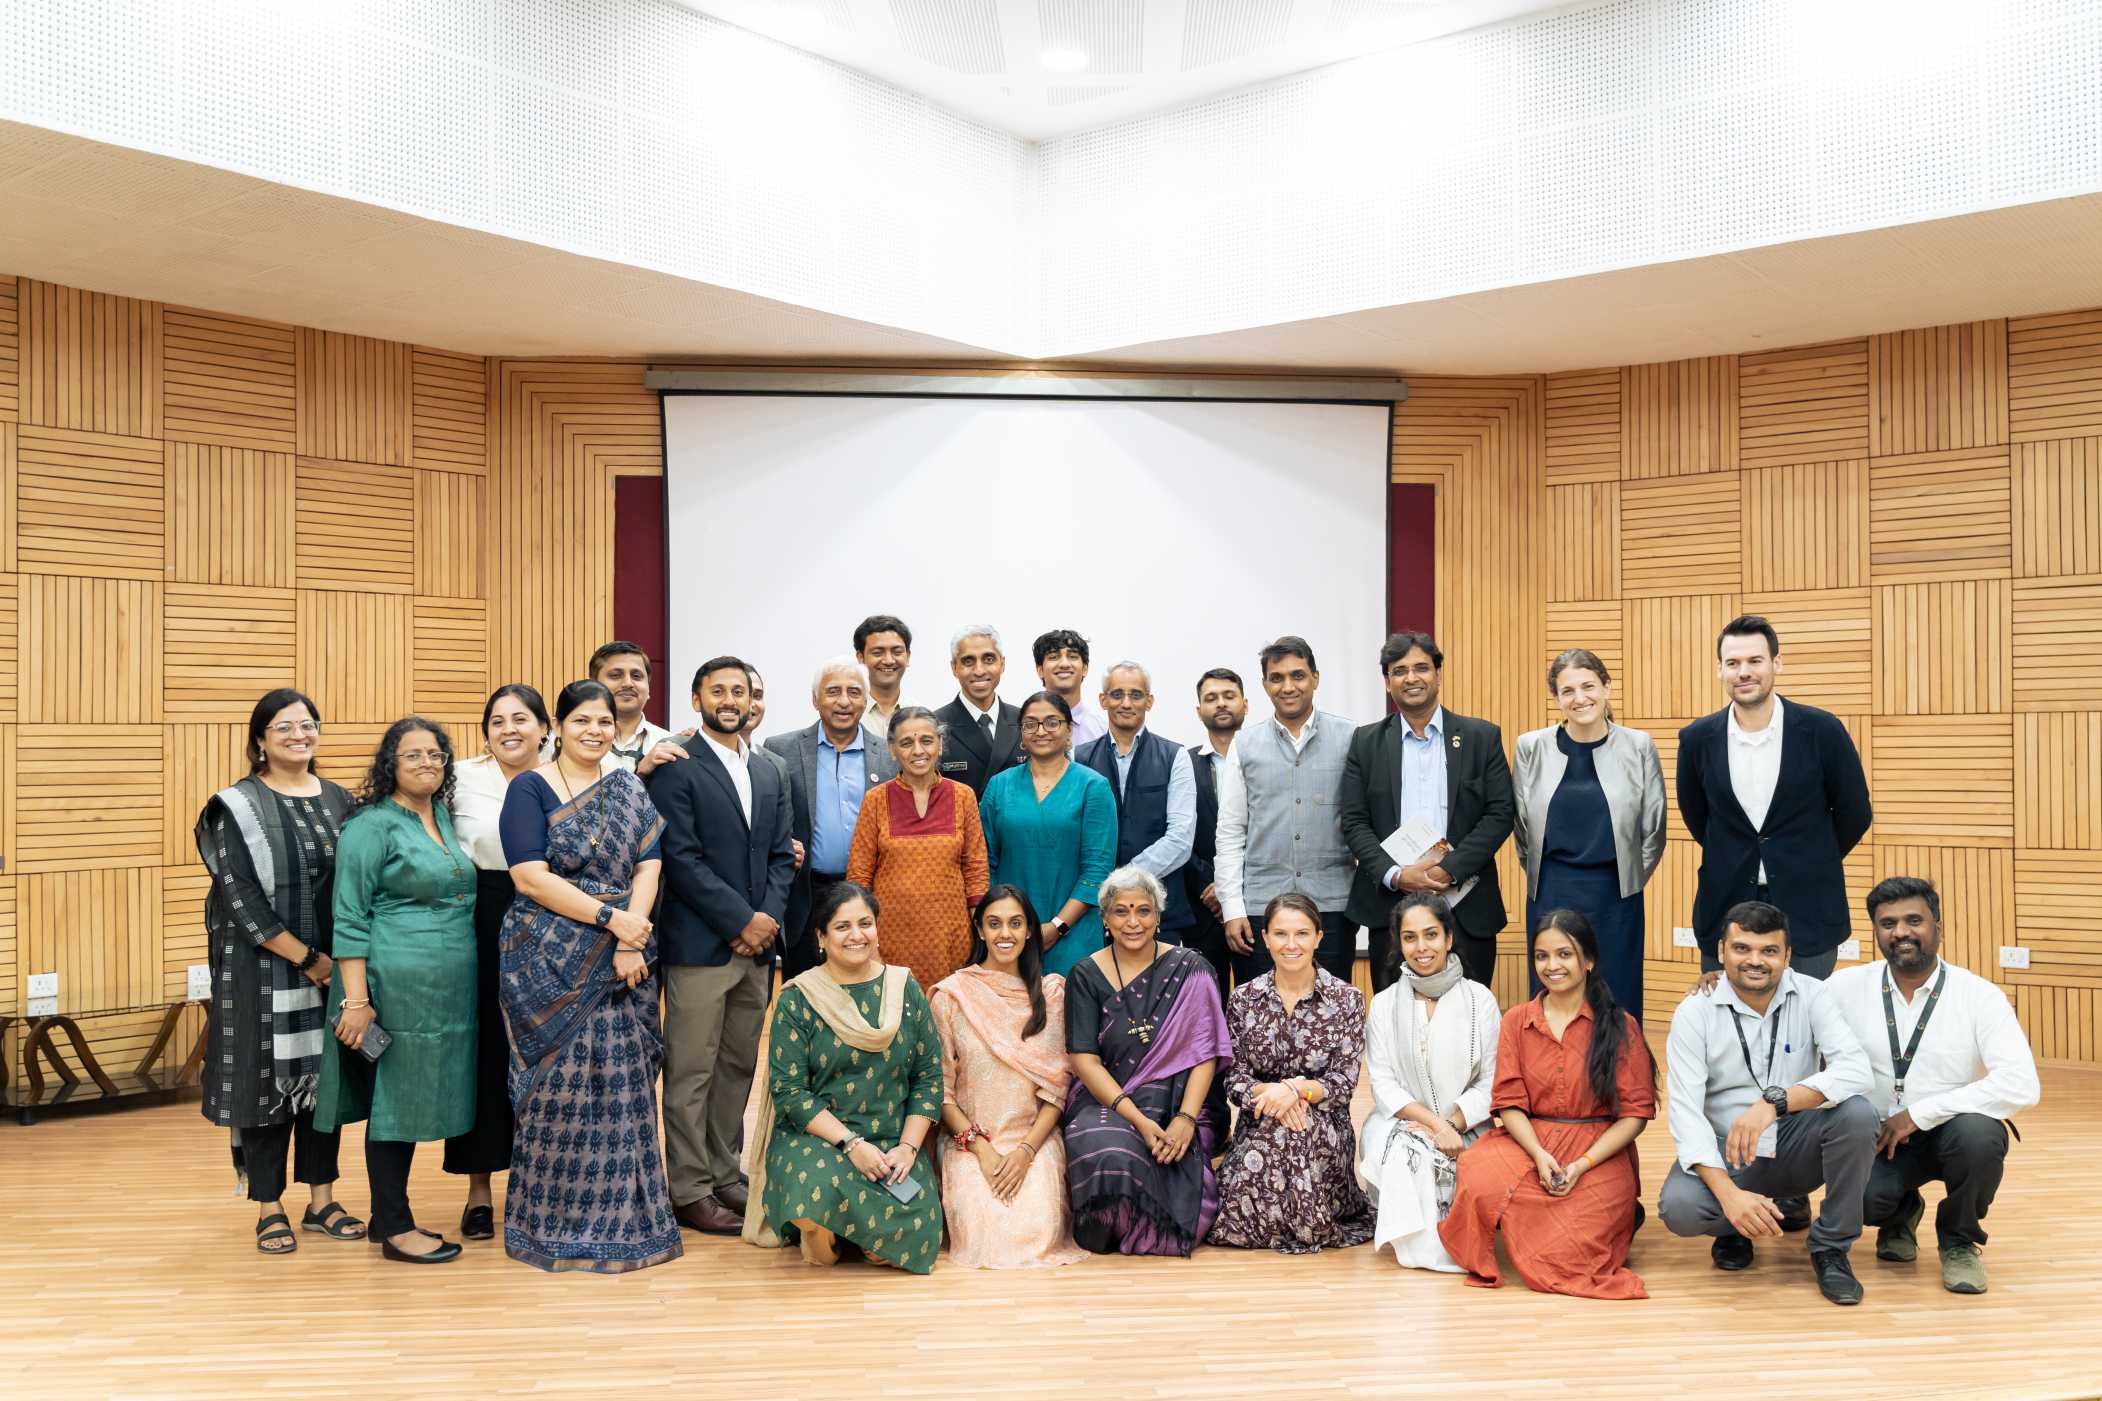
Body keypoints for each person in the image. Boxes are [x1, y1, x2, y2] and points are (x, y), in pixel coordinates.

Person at [498, 679, 679, 1272]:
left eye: (604, 721)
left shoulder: (627, 787)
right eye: (581, 721)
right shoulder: (531, 787)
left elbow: (650, 862)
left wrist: (634, 933)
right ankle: (552, 1227)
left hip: (625, 955)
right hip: (547, 961)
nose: (594, 731)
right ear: (558, 725)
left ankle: (629, 1225)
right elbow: (529, 876)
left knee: (625, 1087)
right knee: (558, 1095)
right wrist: (611, 921)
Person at [194, 688, 362, 1255]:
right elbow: (239, 900)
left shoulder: (341, 800)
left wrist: (339, 962)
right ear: (260, 739)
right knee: (264, 1087)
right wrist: (308, 959)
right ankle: (269, 1207)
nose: (299, 735)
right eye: (284, 727)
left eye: (308, 725)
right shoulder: (235, 805)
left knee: (326, 1086)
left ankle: (322, 1199)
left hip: (336, 968)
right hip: (260, 971)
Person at [314, 717, 478, 1264]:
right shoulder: (371, 826)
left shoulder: (442, 816)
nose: (426, 763)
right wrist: (356, 1002)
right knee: (394, 1102)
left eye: (435, 754)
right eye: (412, 756)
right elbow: (350, 916)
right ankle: (395, 1225)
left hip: (447, 987)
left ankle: (388, 1216)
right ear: (391, 764)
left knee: (414, 1096)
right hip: (391, 982)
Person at [1827, 877, 2040, 1295]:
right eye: (1887, 923)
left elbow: (2022, 1084)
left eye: (1913, 920)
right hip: (1876, 1135)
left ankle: (1959, 1241)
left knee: (1980, 1134)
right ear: (1875, 932)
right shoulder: (1842, 988)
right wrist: (1714, 983)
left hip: (1949, 1132)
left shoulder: (1979, 995)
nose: (1901, 932)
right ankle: (1899, 1213)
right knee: (1866, 1200)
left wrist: (1919, 1115)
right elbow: (1783, 1004)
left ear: (1938, 928)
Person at [1658, 901, 1878, 1304]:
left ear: (1788, 956)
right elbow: (1686, 1114)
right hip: (1728, 1150)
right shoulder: (1695, 1011)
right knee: (1680, 1208)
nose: (1755, 961)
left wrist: (1774, 1102)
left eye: (1769, 951)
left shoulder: (1813, 995)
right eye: (1742, 948)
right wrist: (1729, 1196)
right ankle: (1734, 1229)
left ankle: (1831, 1247)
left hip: (1795, 1140)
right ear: (1721, 951)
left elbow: (1857, 1071)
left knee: (1858, 1113)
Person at [649, 657, 796, 1235]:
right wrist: (740, 918)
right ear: (696, 699)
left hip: (757, 950)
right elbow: (679, 859)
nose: (730, 699)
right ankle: (687, 1187)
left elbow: (781, 855)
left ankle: (722, 1172)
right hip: (700, 945)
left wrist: (766, 922)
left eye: (741, 690)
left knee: (737, 1064)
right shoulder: (677, 768)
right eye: (719, 690)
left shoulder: (771, 770)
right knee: (690, 1070)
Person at [1439, 909, 1655, 1298]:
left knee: (1570, 1254)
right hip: (1530, 1139)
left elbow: (1636, 1115)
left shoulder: (1621, 1025)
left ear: (1588, 960)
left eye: (1564, 955)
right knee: (1479, 1174)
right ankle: (1545, 1217)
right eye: (1542, 956)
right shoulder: (1516, 1020)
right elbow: (1508, 1104)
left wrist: (1582, 1164)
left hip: (1596, 1149)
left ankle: (1617, 1215)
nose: (1552, 966)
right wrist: (1538, 1155)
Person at [744, 883, 944, 1272]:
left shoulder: (905, 989)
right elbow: (790, 1092)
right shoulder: (798, 998)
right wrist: (852, 1144)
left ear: (877, 929)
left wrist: (907, 1149)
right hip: (819, 1141)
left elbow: (928, 1078)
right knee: (810, 1189)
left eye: (865, 923)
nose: (856, 935)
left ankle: (853, 1232)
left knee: (922, 1232)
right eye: (842, 926)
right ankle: (823, 1232)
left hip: (890, 1138)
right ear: (821, 937)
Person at [1677, 615, 1872, 983]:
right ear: (1720, 670)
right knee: (1730, 1030)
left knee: (1804, 1029)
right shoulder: (1697, 739)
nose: (1743, 672)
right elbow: (1698, 817)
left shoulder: (1822, 730)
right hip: (1726, 905)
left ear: (1776, 664)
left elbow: (1855, 812)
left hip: (1808, 909)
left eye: (1755, 661)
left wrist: (1809, 855)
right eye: (1733, 663)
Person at [1062, 867, 1232, 1257]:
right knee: (1107, 1151)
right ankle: (1113, 1232)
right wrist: (1138, 1120)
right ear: (1104, 918)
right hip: (1108, 1098)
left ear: (1158, 916)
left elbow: (1205, 1054)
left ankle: (1157, 1226)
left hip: (1180, 1101)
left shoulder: (1192, 969)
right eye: (1121, 911)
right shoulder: (1085, 975)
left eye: (1143, 910)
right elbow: (1084, 1061)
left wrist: (1185, 1119)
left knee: (1174, 1153)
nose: (1133, 921)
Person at [1340, 631, 1515, 996]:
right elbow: (1354, 821)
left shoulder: (1481, 737)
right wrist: (1396, 874)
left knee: (1467, 1022)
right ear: (1388, 682)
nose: (1412, 678)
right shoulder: (1365, 742)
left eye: (1422, 668)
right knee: (1397, 1021)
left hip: (1466, 904)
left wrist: (1447, 870)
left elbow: (1500, 813)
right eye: (1400, 670)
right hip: (1390, 903)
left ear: (1439, 673)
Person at [930, 886, 1088, 1269]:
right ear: (979, 930)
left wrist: (1026, 1152)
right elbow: (940, 1091)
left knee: (1036, 1231)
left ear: (1030, 931)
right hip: (969, 1141)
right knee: (984, 1231)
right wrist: (982, 1150)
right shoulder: (952, 996)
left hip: (1034, 1140)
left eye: (1016, 924)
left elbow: (1057, 1090)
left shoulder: (1051, 995)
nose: (1006, 934)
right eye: (995, 924)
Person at [1209, 893, 1374, 1254]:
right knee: (1271, 1140)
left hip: (1325, 1124)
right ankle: (1294, 1221)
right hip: (1261, 1117)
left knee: (1294, 1137)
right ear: (1265, 937)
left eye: (1301, 934)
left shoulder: (1346, 999)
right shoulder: (1243, 998)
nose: (1291, 944)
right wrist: (1277, 1096)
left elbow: (1343, 1084)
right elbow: (1233, 1079)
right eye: (1281, 934)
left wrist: (1297, 1093)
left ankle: (1286, 1219)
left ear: (1318, 937)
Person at [442, 683, 548, 1239]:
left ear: (544, 727)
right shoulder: (459, 777)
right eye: (497, 720)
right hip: (479, 917)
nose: (510, 729)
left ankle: (541, 1187)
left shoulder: (566, 772)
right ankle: (479, 1191)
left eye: (522, 718)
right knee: (483, 1052)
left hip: (554, 917)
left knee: (544, 1053)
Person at [1512, 648, 1665, 1016]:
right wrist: (1546, 878)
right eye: (1568, 691)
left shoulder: (1638, 745)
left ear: (1607, 687)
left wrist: (1630, 879)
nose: (1580, 698)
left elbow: (1654, 828)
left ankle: (1617, 1073)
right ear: (1557, 699)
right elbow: (1520, 826)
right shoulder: (1530, 747)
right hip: (1551, 890)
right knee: (1556, 993)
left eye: (1588, 686)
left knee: (1617, 996)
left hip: (1617, 893)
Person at [1358, 893, 1499, 1271]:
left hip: (1467, 1126)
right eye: (1409, 937)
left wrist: (1452, 1123)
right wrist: (1434, 1126)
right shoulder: (1385, 1003)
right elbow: (1383, 1083)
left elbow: (1491, 1082)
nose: (1421, 947)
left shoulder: (1479, 999)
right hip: (1403, 1122)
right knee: (1405, 1154)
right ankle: (1424, 1248)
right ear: (1398, 943)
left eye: (1431, 935)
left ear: (1449, 938)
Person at [1215, 636, 1357, 985]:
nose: (1288, 686)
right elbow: (1231, 832)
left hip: (1333, 908)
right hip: (1261, 909)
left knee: (1330, 1017)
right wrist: (1233, 908)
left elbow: (1363, 823)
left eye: (1298, 675)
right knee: (1260, 1022)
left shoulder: (1350, 737)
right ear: (1265, 685)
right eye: (1277, 678)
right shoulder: (1244, 744)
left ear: (1315, 678)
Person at [764, 658, 896, 981]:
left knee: (863, 992)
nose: (843, 701)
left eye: (853, 692)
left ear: (865, 701)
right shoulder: (780, 749)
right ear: (815, 699)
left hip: (867, 893)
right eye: (833, 691)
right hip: (805, 895)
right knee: (806, 992)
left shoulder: (889, 755)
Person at [846, 706, 989, 987]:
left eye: (926, 741)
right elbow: (858, 877)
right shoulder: (875, 800)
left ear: (940, 745)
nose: (917, 750)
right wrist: (865, 938)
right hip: (890, 939)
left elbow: (976, 870)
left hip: (951, 938)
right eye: (906, 743)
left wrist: (981, 935)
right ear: (892, 750)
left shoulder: (963, 796)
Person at [979, 691, 1117, 978]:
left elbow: (1097, 870)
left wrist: (1057, 927)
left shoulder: (1093, 787)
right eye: (1031, 724)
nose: (1041, 731)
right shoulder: (999, 786)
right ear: (1021, 734)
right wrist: (1003, 924)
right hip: (1009, 936)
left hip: (1074, 934)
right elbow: (984, 861)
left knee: (1072, 1017)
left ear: (1069, 730)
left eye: (1052, 722)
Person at [1075, 661, 1196, 938]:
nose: (1126, 703)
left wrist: (1122, 881)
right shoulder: (1078, 758)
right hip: (1094, 912)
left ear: (1149, 701)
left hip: (1159, 909)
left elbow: (1180, 838)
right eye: (1117, 694)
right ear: (1103, 700)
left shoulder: (1175, 757)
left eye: (1136, 695)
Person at [1182, 667, 1247, 1008]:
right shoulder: (1183, 763)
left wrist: (1233, 884)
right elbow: (1176, 832)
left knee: (1258, 1006)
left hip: (1254, 903)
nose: (1220, 704)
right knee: (1207, 1009)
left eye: (1228, 696)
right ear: (1199, 710)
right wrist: (1211, 884)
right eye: (1211, 698)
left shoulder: (1261, 755)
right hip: (1201, 907)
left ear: (1245, 705)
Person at [936, 624, 1022, 797]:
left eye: (989, 659)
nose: (979, 670)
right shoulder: (934, 725)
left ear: (1002, 664)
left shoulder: (1026, 721)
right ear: (954, 667)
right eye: (968, 661)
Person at [588, 639, 684, 775]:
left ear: (649, 689)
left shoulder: (671, 746)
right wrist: (640, 773)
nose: (628, 683)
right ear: (593, 686)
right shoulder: (571, 742)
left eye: (636, 676)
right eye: (615, 675)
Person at [1033, 628, 1108, 746]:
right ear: (1040, 670)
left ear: (1085, 669)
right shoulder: (1026, 728)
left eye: (1072, 656)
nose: (1064, 664)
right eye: (1054, 657)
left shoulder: (1104, 731)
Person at [854, 613, 913, 740]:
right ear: (860, 657)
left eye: (897, 652)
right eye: (877, 653)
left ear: (908, 656)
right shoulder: (847, 715)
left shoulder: (922, 714)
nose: (888, 660)